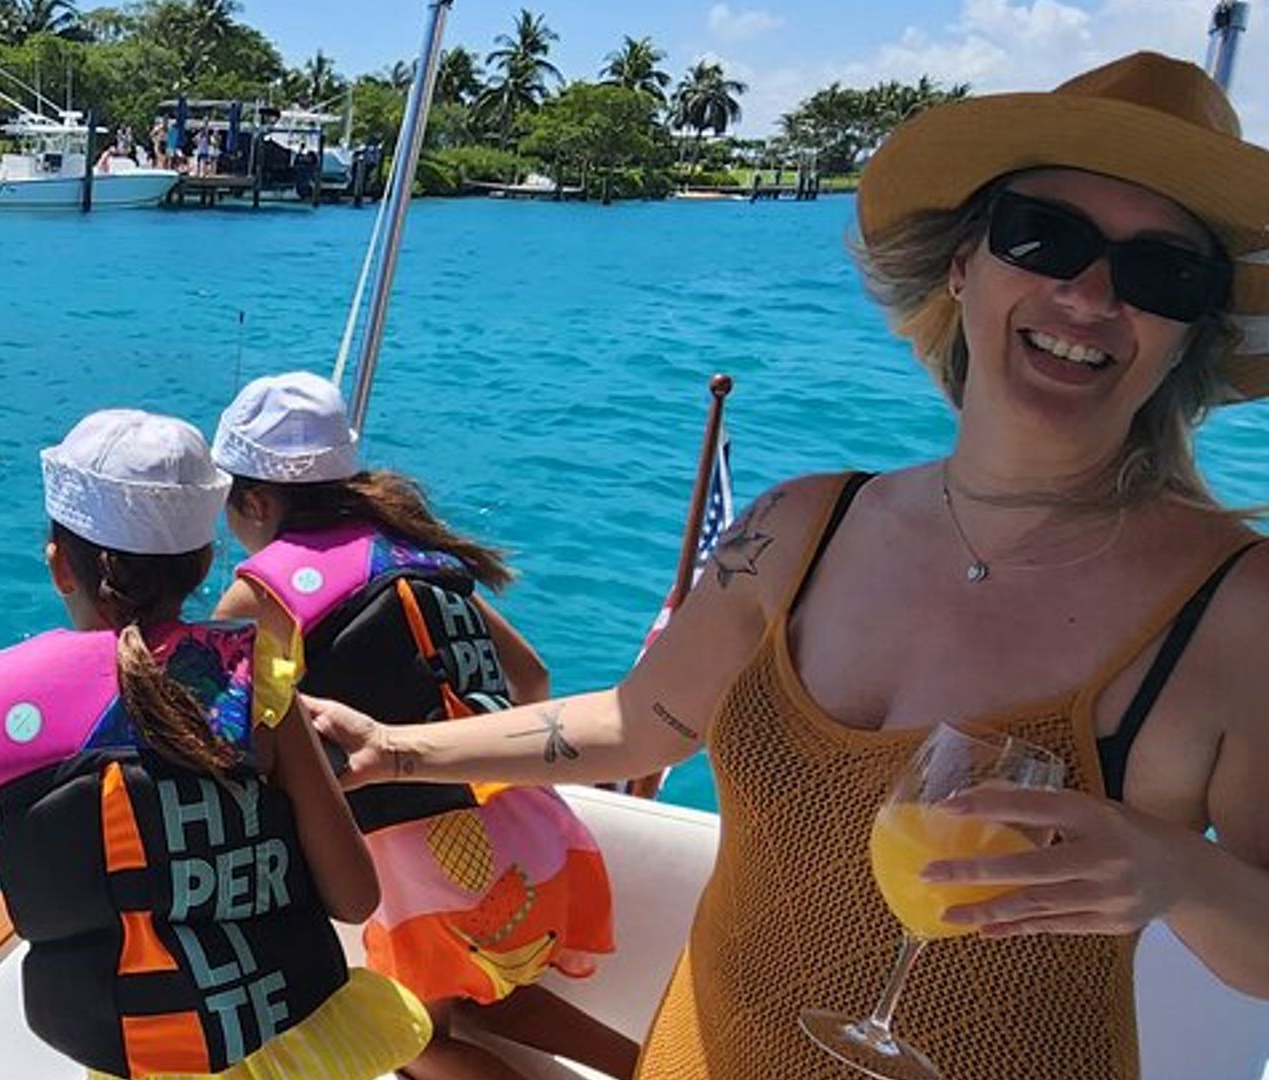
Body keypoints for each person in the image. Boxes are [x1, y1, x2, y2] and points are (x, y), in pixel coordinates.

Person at [307, 51, 1269, 1080]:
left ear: (1190, 334)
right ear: (962, 265)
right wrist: (397, 751)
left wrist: (1180, 873)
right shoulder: (803, 527)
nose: (1088, 294)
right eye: (1045, 238)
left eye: (1161, 271)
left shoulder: (1236, 608)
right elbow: (640, 723)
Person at [0, 410, 431, 1078]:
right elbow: (354, 898)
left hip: (144, 1054)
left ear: (60, 566)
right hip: (297, 1043)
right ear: (205, 563)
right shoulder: (258, 684)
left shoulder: (6, 718)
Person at [211, 372, 642, 1079]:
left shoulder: (258, 594)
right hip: (535, 839)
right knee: (489, 998)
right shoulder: (414, 554)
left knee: (411, 1040)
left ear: (254, 501)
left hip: (423, 879)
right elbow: (531, 679)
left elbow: (224, 752)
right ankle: (659, 1068)